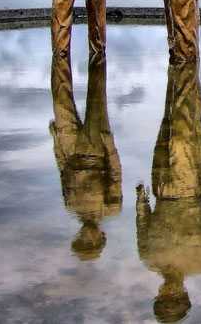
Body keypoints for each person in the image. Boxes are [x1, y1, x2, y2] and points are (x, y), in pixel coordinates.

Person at [136, 63, 201, 322]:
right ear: (184, 294)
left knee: (171, 120)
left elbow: (142, 222)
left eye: (165, 298)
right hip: (189, 185)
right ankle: (186, 68)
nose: (169, 292)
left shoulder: (149, 259)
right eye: (174, 298)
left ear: (159, 294)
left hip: (162, 185)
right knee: (183, 125)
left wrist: (141, 200)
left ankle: (182, 69)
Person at [49, 54, 121, 260]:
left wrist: (56, 141)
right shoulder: (111, 208)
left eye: (83, 241)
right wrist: (108, 143)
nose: (87, 237)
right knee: (96, 94)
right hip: (95, 150)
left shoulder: (71, 205)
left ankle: (68, 61)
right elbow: (115, 172)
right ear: (101, 236)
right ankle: (85, 59)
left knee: (60, 97)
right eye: (91, 242)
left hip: (71, 150)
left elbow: (62, 170)